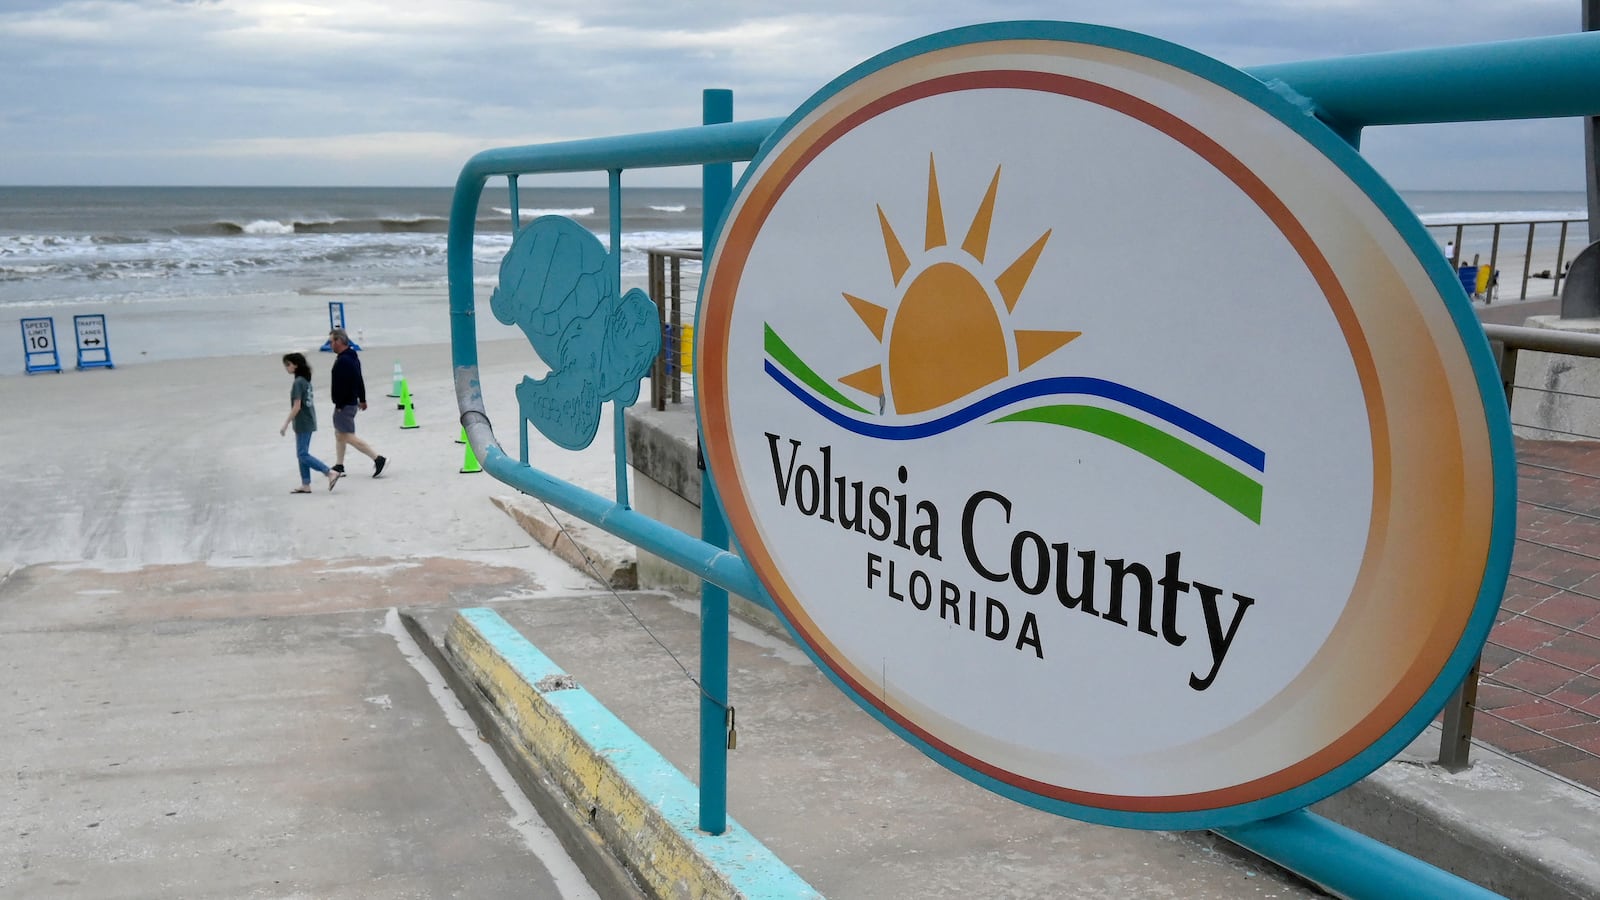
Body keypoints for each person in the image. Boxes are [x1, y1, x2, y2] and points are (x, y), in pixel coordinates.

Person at [327, 328, 388, 477]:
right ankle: (339, 465)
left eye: (331, 342)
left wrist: (340, 404)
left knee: (347, 436)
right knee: (340, 434)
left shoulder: (344, 360)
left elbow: (345, 384)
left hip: (345, 404)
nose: (330, 345)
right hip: (350, 402)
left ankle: (378, 458)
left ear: (339, 341)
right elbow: (358, 379)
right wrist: (362, 399)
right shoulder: (352, 356)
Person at [280, 352, 342, 493]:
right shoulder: (305, 381)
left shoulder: (298, 383)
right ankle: (306, 484)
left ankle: (329, 472)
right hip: (307, 420)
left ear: (295, 365)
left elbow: (297, 406)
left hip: (303, 422)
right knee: (302, 453)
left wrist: (285, 423)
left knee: (302, 454)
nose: (286, 368)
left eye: (288, 364)